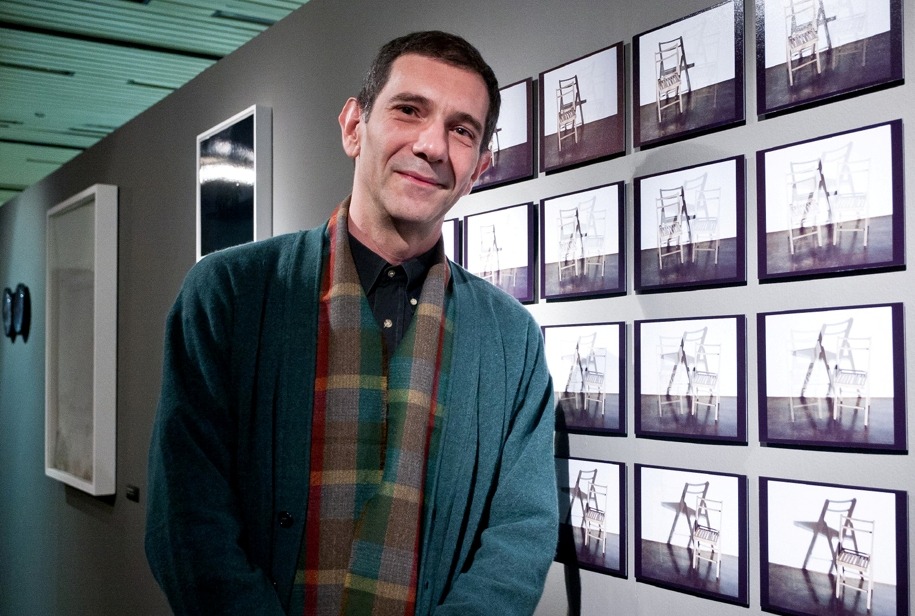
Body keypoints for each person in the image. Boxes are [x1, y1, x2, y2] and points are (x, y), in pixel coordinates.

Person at [145, 30, 557, 616]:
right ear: (353, 127)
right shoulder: (229, 293)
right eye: (409, 110)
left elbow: (522, 532)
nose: (432, 145)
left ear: (479, 169)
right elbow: (187, 519)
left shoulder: (511, 338)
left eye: (462, 130)